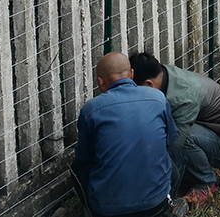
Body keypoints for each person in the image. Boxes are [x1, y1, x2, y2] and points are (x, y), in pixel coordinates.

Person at [129, 51, 220, 214]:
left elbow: (176, 145)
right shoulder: (163, 75)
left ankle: (205, 182)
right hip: (208, 130)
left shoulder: (183, 97)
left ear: (148, 84)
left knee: (182, 138)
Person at [72, 52, 176, 217]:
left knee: (77, 167)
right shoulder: (158, 98)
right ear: (132, 74)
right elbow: (170, 139)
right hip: (155, 204)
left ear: (100, 81)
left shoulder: (91, 110)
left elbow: (85, 156)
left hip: (109, 210)